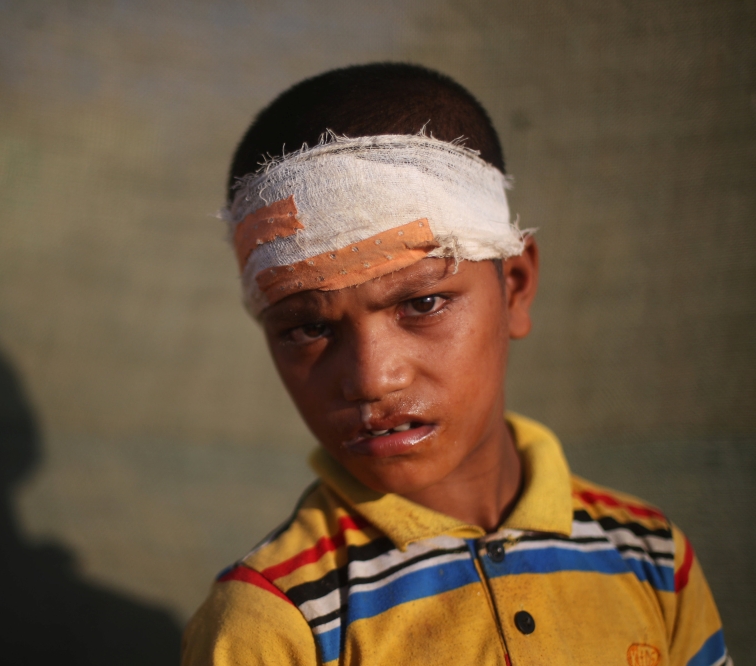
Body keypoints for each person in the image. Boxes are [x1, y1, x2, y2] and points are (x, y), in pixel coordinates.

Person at [181, 63, 729, 666]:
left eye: (423, 303)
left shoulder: (651, 557)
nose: (372, 377)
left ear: (515, 288)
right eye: (309, 328)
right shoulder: (271, 620)